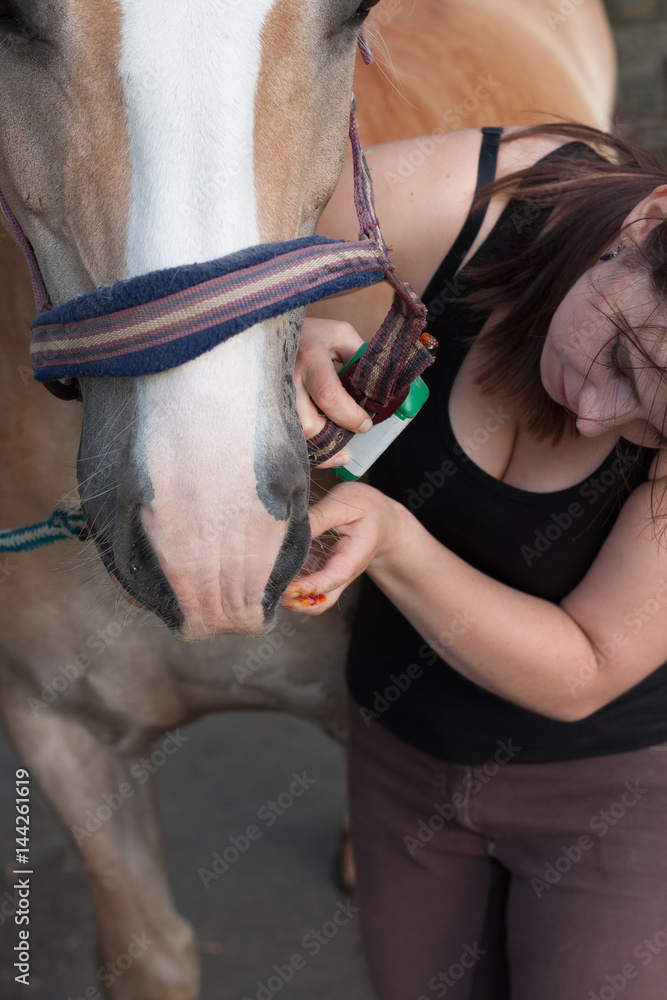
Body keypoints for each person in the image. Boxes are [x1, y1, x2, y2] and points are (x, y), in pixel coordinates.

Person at [282, 122, 667, 1000]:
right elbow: (253, 243)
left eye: (651, 426)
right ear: (646, 224)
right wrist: (293, 329)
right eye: (615, 357)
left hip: (614, 792)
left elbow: (587, 665)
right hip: (398, 754)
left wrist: (397, 539)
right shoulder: (480, 198)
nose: (598, 419)